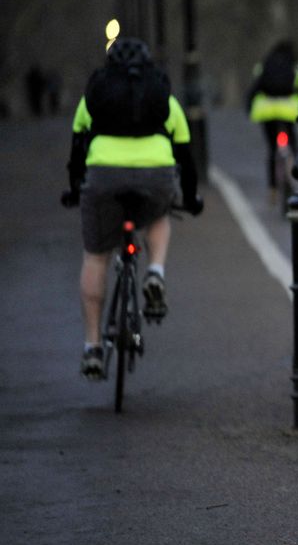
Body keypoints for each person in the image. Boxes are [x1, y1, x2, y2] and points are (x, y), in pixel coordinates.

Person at [61, 37, 203, 380]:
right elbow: (185, 155)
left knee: (96, 256)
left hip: (104, 177)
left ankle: (93, 347)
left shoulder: (92, 97)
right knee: (158, 213)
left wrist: (74, 188)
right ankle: (155, 272)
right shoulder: (164, 99)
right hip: (155, 174)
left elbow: (77, 151)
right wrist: (191, 196)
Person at [245, 40, 298, 204]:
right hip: (288, 111)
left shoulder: (264, 66)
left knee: (272, 149)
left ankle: (272, 189)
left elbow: (255, 88)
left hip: (267, 111)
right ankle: (294, 179)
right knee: (292, 145)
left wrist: (248, 107)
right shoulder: (294, 67)